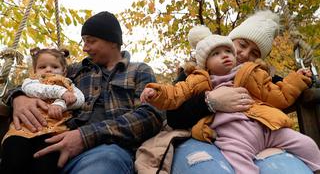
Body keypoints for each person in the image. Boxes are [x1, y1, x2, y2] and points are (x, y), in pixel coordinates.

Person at [2, 11, 164, 173]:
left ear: (113, 42)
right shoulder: (76, 70)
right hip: (56, 146)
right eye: (84, 42)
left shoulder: (139, 71)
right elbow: (38, 81)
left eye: (91, 41)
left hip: (107, 151)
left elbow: (150, 115)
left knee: (103, 165)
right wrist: (18, 97)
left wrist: (86, 136)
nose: (85, 48)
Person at [140, 32, 320, 173]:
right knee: (241, 167)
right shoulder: (195, 77)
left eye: (254, 53)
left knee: (308, 145)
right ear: (205, 63)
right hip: (233, 137)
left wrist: (299, 79)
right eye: (241, 45)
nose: (244, 53)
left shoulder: (253, 74)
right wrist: (157, 92)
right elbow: (175, 96)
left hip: (266, 129)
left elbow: (279, 93)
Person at [0, 47, 85, 174]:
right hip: (24, 129)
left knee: (46, 162)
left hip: (53, 132)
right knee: (14, 153)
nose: (49, 69)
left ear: (64, 71)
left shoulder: (69, 84)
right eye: (42, 67)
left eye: (55, 67)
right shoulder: (32, 82)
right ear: (34, 71)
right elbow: (34, 90)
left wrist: (61, 104)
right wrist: (61, 93)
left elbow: (79, 99)